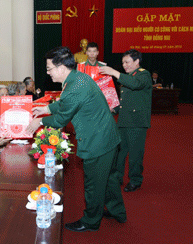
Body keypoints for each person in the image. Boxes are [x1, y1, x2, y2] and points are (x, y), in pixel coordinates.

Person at [27, 46, 126, 232]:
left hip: (98, 142)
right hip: (108, 137)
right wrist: (47, 109)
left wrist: (39, 121)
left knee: (94, 184)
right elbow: (66, 104)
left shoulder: (74, 86)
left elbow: (61, 119)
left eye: (49, 69)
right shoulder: (76, 79)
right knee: (109, 179)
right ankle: (117, 211)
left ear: (61, 68)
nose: (48, 73)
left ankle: (91, 221)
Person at [99, 49, 152, 192]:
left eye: (127, 62)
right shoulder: (128, 76)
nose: (124, 65)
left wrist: (113, 72)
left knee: (135, 154)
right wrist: (114, 109)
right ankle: (117, 177)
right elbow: (125, 100)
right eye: (123, 62)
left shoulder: (143, 74)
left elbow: (135, 84)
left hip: (137, 123)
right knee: (120, 152)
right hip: (124, 121)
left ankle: (135, 180)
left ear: (137, 61)